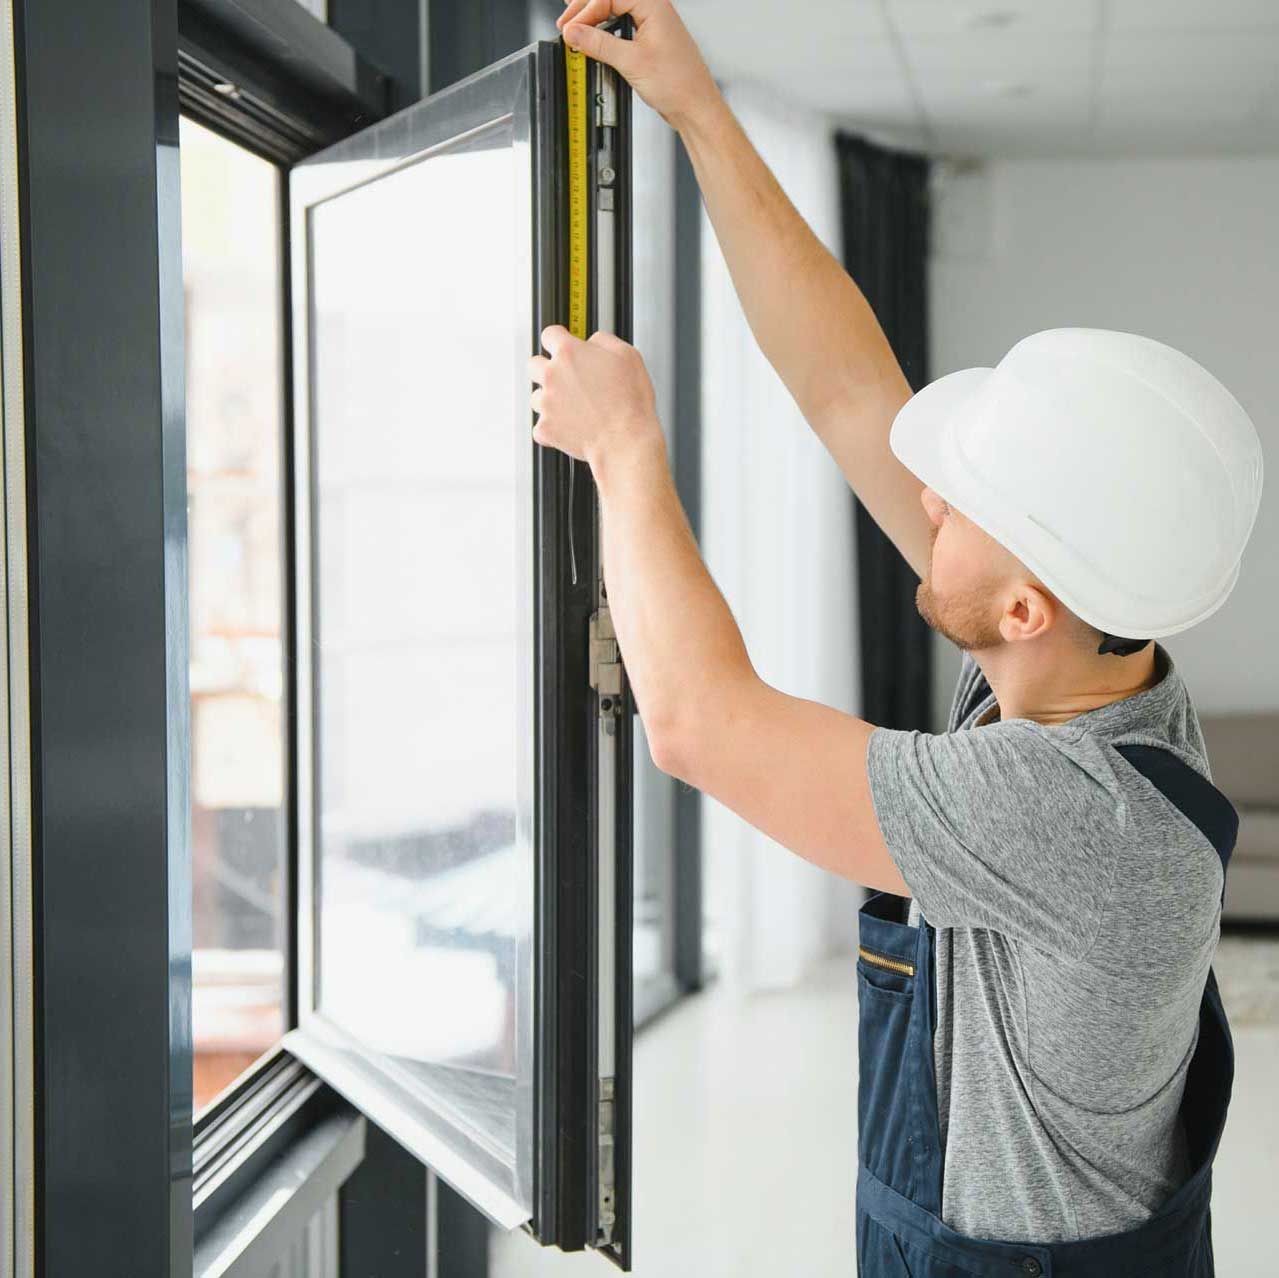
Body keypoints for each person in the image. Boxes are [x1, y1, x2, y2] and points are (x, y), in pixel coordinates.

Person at [528, 2, 1265, 1274]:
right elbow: (847, 386)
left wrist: (626, 453)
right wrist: (699, 108)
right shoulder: (1095, 662)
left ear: (1026, 607)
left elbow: (699, 727)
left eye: (958, 503)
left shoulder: (1065, 809)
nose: (923, 496)